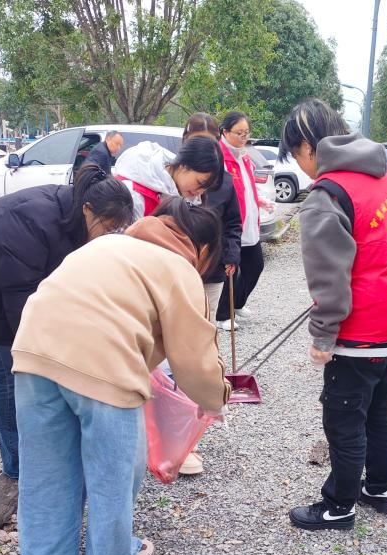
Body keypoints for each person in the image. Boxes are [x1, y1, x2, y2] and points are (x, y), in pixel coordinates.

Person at [11, 199, 230, 555]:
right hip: (105, 366)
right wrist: (217, 399)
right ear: (202, 249)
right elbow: (193, 361)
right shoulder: (179, 267)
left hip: (33, 353)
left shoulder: (106, 244)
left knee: (46, 469)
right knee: (113, 473)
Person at [0, 164, 134, 480]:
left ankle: (40, 453)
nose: (110, 236)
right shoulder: (30, 221)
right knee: (10, 377)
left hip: (12, 294)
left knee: (36, 375)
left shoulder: (75, 218)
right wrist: (39, 353)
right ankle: (17, 465)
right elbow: (20, 302)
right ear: (88, 210)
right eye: (108, 228)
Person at [278, 98, 387, 532]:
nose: (299, 165)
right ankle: (380, 488)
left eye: (295, 155)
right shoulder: (384, 180)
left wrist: (323, 335)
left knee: (343, 418)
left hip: (362, 329)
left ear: (308, 146)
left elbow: (329, 278)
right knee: (379, 409)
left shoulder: (328, 195)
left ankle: (339, 505)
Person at [177, 113, 242, 476]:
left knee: (202, 342)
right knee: (172, 349)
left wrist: (230, 255)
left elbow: (233, 223)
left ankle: (193, 429)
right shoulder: (167, 182)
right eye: (195, 140)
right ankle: (170, 427)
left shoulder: (224, 181)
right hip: (174, 275)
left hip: (210, 271)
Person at [214, 111, 275, 332]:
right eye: (239, 133)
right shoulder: (219, 157)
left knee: (255, 265)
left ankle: (237, 303)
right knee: (230, 268)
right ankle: (222, 315)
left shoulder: (244, 156)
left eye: (246, 133)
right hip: (230, 224)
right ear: (225, 132)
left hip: (248, 221)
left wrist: (259, 201)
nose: (243, 137)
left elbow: (247, 187)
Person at [114, 136, 225, 218]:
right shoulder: (134, 194)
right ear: (184, 165)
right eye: (200, 183)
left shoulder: (188, 201)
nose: (199, 192)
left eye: (205, 188)